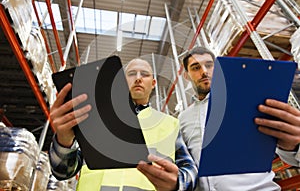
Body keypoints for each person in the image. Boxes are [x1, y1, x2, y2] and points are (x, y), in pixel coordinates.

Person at [49, 58, 198, 190]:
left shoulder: (169, 124)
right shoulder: (96, 120)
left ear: (153, 83)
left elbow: (190, 169)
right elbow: (63, 172)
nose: (138, 78)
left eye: (144, 74)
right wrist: (64, 141)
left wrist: (178, 183)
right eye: (132, 74)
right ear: (122, 81)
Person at [179, 46, 300, 190]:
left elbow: (289, 155)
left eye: (209, 65)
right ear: (186, 75)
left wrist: (295, 146)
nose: (204, 71)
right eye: (195, 67)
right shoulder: (183, 118)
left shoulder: (247, 99)